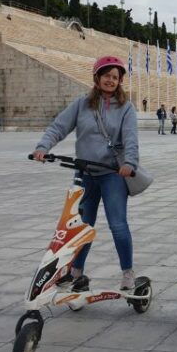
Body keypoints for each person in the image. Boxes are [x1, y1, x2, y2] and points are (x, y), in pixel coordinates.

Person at [31, 55, 139, 291]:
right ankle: (76, 271)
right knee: (81, 225)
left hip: (112, 174)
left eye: (115, 77)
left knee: (118, 224)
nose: (110, 80)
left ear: (119, 81)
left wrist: (130, 162)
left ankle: (127, 272)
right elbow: (59, 126)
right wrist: (43, 147)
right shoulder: (82, 104)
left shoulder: (126, 108)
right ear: (97, 77)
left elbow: (131, 139)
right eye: (106, 75)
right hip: (85, 174)